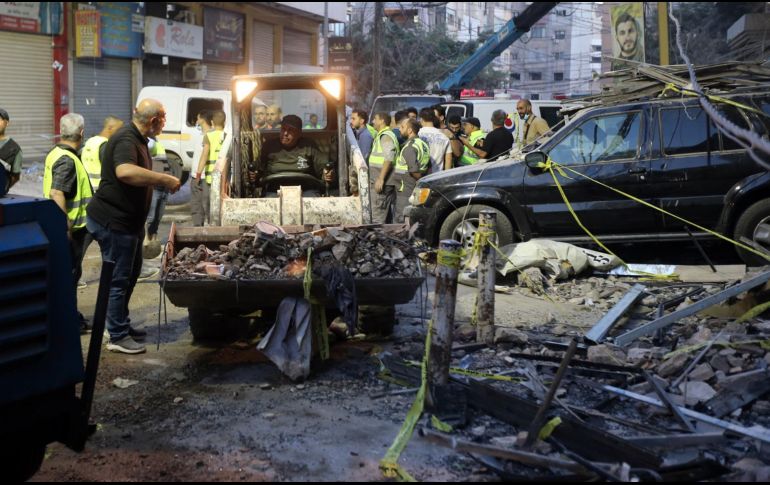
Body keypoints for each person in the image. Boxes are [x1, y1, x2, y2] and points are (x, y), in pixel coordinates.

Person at [86, 99, 181, 354]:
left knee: (130, 274)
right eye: (163, 119)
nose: (164, 124)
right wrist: (165, 178)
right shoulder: (127, 139)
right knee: (119, 279)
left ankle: (118, 324)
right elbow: (125, 172)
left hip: (129, 223)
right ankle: (116, 336)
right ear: (153, 121)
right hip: (113, 221)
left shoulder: (138, 139)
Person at [43, 113, 93, 332]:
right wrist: (65, 228)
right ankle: (68, 321)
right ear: (81, 133)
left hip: (63, 226)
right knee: (69, 277)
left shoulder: (56, 153)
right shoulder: (67, 160)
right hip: (72, 230)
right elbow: (57, 192)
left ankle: (70, 316)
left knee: (68, 275)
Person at [248, 115, 334, 197]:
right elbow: (259, 167)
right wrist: (254, 174)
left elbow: (323, 168)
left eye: (290, 130)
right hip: (274, 190)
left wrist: (327, 173)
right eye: (283, 129)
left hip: (306, 190)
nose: (285, 133)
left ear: (299, 133)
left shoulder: (308, 145)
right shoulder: (269, 146)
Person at [192, 110, 226, 227]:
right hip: (223, 177)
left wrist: (198, 174)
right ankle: (219, 225)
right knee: (220, 204)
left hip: (209, 178)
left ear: (212, 122)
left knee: (208, 203)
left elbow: (204, 156)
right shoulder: (227, 136)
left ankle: (210, 224)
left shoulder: (208, 136)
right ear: (224, 122)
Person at [395, 118, 430, 222]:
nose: (399, 129)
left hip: (406, 189)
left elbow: (414, 171)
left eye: (402, 127)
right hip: (412, 188)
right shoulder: (423, 144)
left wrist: (419, 181)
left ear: (410, 130)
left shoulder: (410, 147)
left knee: (401, 220)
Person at [368, 112, 399, 223]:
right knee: (384, 217)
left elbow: (389, 157)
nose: (373, 121)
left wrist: (381, 178)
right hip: (383, 181)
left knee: (377, 219)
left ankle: (378, 239)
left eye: (375, 118)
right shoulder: (383, 135)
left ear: (382, 121)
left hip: (382, 183)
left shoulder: (386, 136)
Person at [81, 115, 124, 192]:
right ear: (110, 128)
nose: (121, 133)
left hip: (88, 191)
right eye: (119, 130)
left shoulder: (89, 142)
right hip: (102, 192)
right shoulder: (106, 146)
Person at [417, 108, 452, 173]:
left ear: (421, 119)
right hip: (436, 177)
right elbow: (448, 159)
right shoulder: (444, 137)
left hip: (420, 176)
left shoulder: (418, 134)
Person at [0, 108, 23, 192]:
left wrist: (4, 188)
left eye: (0, 119)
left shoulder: (14, 149)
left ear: (7, 123)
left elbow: (16, 176)